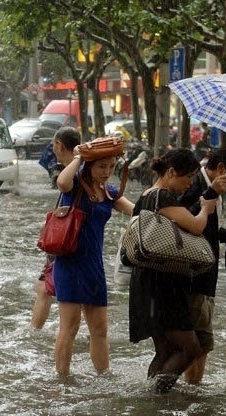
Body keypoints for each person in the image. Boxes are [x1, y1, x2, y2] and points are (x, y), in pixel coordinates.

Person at [127, 148, 218, 393]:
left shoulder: (145, 196)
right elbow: (197, 227)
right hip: (162, 285)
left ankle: (151, 397)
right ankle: (157, 394)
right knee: (191, 348)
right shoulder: (162, 197)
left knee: (165, 350)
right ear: (170, 172)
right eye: (187, 177)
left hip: (146, 282)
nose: (189, 184)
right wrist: (206, 209)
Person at [51, 137, 135, 377]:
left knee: (100, 329)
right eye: (101, 167)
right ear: (89, 165)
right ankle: (62, 380)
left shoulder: (108, 193)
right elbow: (61, 181)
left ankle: (104, 377)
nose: (107, 172)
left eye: (111, 167)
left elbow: (136, 210)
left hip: (94, 267)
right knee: (69, 327)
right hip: (70, 264)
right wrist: (79, 156)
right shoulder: (75, 185)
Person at [179, 146, 226, 385]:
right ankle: (190, 392)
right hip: (194, 276)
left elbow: (206, 225)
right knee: (200, 344)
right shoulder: (195, 185)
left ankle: (191, 390)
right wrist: (210, 193)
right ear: (222, 168)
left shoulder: (212, 190)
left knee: (201, 345)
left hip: (207, 275)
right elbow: (183, 220)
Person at [32, 126, 80, 329]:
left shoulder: (74, 173)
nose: (53, 150)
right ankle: (34, 333)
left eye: (53, 145)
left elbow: (62, 183)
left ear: (59, 145)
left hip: (66, 242)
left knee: (46, 288)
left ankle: (35, 333)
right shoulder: (78, 170)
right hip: (65, 242)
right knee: (44, 288)